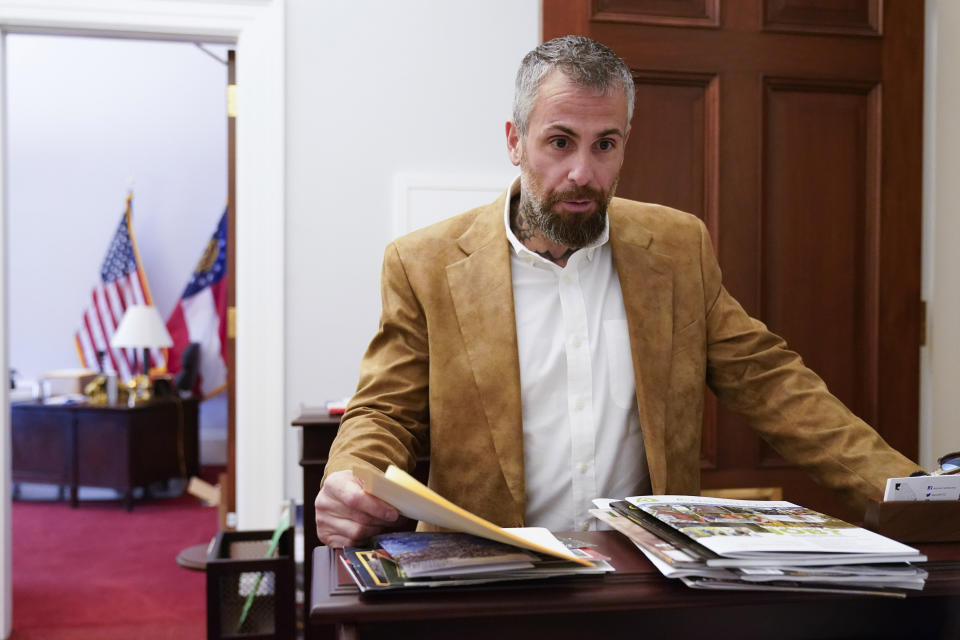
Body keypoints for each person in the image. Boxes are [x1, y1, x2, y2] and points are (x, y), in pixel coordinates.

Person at [315, 35, 922, 548]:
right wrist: (350, 473)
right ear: (514, 141)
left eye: (605, 144)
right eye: (560, 142)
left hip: (646, 579)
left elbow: (773, 383)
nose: (583, 172)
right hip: (492, 581)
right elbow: (384, 410)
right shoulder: (425, 263)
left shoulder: (678, 248)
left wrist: (915, 493)